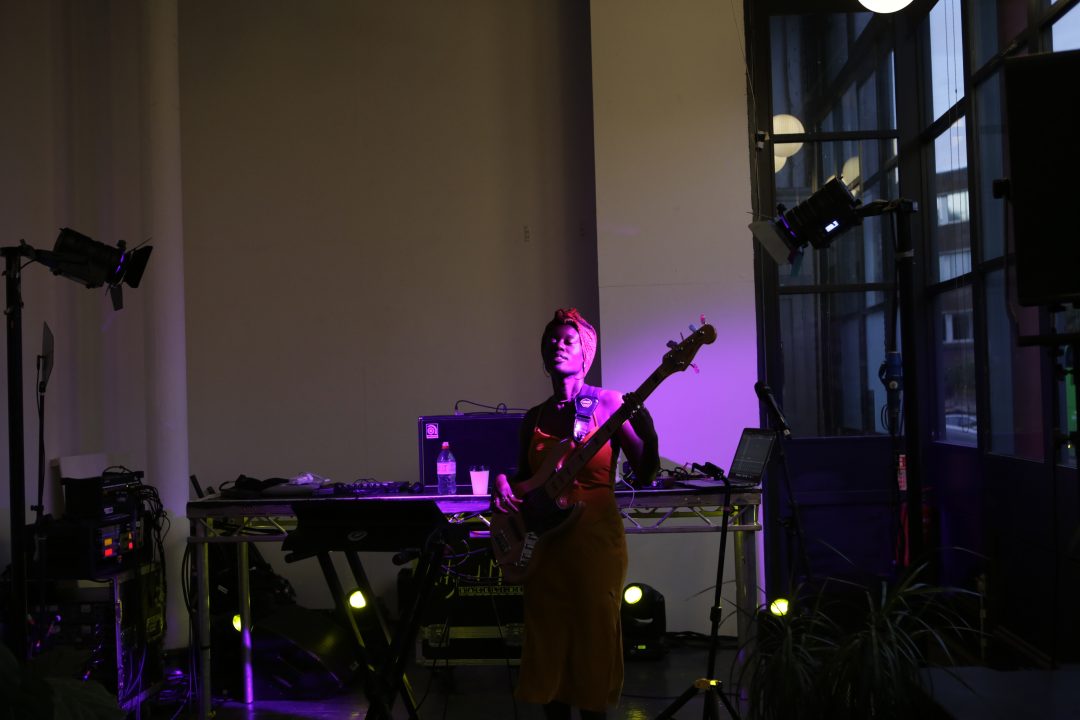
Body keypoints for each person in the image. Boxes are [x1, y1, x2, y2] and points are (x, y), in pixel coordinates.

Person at [492, 308, 659, 720]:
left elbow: (645, 472)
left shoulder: (609, 402)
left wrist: (649, 432)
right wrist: (502, 484)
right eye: (551, 340)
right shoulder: (534, 417)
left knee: (593, 636)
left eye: (568, 340)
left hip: (594, 541)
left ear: (586, 352)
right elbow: (525, 478)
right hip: (544, 543)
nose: (558, 346)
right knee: (548, 637)